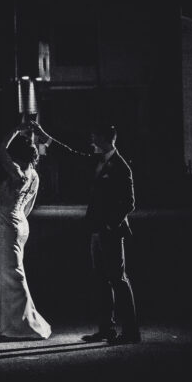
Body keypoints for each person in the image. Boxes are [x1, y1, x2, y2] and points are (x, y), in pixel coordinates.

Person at [80, 123, 140, 344]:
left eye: (94, 136)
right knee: (101, 280)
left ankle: (132, 332)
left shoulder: (122, 167)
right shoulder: (99, 161)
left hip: (110, 232)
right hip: (96, 230)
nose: (91, 140)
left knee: (118, 280)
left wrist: (110, 225)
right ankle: (106, 328)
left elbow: (130, 203)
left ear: (105, 139)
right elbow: (71, 152)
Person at [0, 116, 52, 339]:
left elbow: (0, 149)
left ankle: (25, 324)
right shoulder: (33, 175)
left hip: (8, 224)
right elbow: (29, 205)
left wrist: (17, 129)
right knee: (13, 273)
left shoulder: (17, 173)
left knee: (12, 275)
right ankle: (11, 323)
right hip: (20, 223)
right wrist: (35, 133)